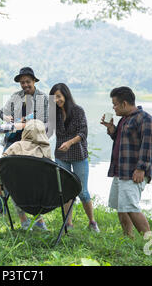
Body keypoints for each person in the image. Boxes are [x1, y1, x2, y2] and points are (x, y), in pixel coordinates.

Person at [100, 86, 152, 238]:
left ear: (124, 104)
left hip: (133, 172)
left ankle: (151, 245)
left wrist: (141, 169)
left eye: (115, 104)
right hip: (121, 171)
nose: (113, 107)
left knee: (131, 207)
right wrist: (112, 129)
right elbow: (121, 141)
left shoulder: (146, 119)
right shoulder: (124, 120)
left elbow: (148, 146)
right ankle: (128, 238)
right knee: (121, 207)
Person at [49, 83, 100, 232]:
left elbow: (83, 132)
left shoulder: (78, 111)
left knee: (82, 191)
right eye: (54, 98)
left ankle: (92, 222)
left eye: (59, 96)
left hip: (78, 155)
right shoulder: (55, 114)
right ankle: (68, 224)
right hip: (61, 155)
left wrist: (70, 143)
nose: (57, 100)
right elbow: (49, 131)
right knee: (65, 191)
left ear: (66, 95)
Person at [2, 119, 51, 231]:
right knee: (34, 187)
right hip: (41, 197)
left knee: (14, 183)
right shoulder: (45, 149)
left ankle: (24, 220)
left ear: (25, 131)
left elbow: (1, 165)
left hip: (18, 194)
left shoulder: (16, 146)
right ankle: (40, 222)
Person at [0, 67, 49, 151]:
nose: (25, 85)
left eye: (28, 82)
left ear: (34, 81)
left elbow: (46, 121)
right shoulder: (15, 96)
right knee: (7, 162)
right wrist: (6, 117)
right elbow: (2, 112)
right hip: (12, 140)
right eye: (22, 82)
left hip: (33, 141)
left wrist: (28, 121)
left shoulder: (43, 98)